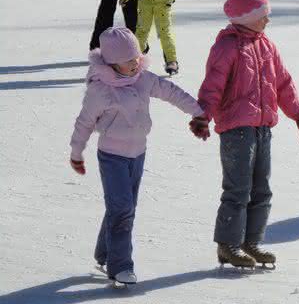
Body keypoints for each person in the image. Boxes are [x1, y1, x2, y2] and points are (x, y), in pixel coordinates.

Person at [69, 27, 205, 286]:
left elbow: (170, 91)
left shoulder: (143, 78)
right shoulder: (101, 90)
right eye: (128, 60)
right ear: (111, 62)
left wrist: (197, 111)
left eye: (136, 57)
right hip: (112, 156)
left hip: (138, 153)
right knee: (122, 208)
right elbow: (84, 123)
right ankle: (120, 266)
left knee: (122, 206)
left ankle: (105, 253)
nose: (135, 63)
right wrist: (77, 152)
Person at [194, 0, 299, 268]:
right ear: (245, 17)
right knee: (238, 189)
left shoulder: (267, 46)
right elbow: (212, 86)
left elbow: (283, 83)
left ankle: (252, 242)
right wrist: (203, 117)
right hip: (237, 129)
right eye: (262, 16)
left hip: (263, 128)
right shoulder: (226, 47)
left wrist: (298, 116)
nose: (267, 21)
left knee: (262, 189)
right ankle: (228, 245)